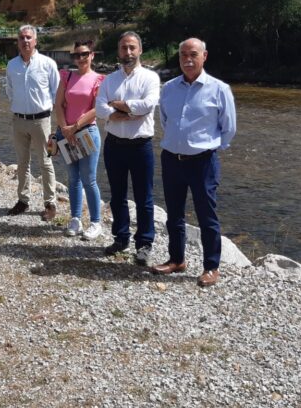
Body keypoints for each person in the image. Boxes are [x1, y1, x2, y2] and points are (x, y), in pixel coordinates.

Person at [152, 38, 236, 287]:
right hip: (172, 159)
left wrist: (208, 147)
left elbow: (229, 128)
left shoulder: (219, 89)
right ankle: (177, 259)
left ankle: (211, 266)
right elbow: (165, 120)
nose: (188, 59)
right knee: (174, 214)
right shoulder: (169, 88)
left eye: (193, 54)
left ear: (204, 56)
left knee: (206, 215)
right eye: (183, 55)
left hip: (203, 162)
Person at [95, 31, 160, 266]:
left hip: (141, 146)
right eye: (124, 48)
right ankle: (121, 238)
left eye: (132, 47)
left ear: (140, 50)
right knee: (117, 196)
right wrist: (123, 111)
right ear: (118, 51)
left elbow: (147, 105)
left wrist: (116, 106)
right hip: (114, 145)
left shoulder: (151, 78)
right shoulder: (109, 80)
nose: (128, 52)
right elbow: (99, 108)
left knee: (144, 198)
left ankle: (144, 244)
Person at [5, 24, 60, 219]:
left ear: (35, 40)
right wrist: (19, 106)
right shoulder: (12, 65)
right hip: (19, 120)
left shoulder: (47, 63)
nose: (25, 41)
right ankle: (23, 200)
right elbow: (9, 90)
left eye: (29, 37)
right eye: (21, 38)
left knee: (45, 162)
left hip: (41, 121)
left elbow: (57, 92)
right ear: (17, 42)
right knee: (22, 162)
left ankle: (50, 203)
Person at [53, 40, 104, 239]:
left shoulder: (99, 79)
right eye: (76, 55)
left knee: (89, 179)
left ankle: (95, 222)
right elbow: (58, 104)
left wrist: (74, 128)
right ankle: (75, 219)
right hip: (67, 132)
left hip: (86, 133)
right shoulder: (67, 76)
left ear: (92, 55)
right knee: (73, 179)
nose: (80, 58)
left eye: (84, 54)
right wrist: (65, 129)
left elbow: (96, 109)